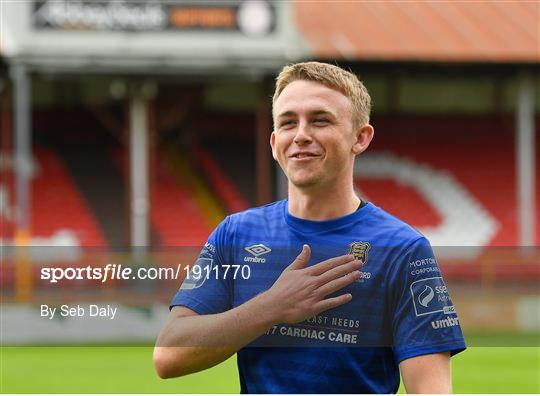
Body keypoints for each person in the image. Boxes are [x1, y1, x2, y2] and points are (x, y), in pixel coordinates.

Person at [154, 61, 466, 393]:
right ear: (275, 143)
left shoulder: (402, 248)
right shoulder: (236, 234)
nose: (302, 135)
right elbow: (168, 357)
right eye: (289, 123)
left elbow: (430, 389)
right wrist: (271, 307)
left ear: (360, 138)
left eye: (320, 120)